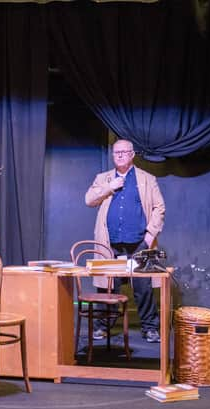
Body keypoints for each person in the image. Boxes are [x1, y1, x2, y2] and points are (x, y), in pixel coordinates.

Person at [85, 139, 165, 343]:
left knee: (143, 287)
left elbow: (159, 207)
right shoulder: (103, 178)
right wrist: (109, 187)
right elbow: (89, 200)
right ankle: (103, 326)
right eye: (116, 153)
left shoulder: (147, 179)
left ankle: (150, 328)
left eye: (124, 152)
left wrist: (149, 236)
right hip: (110, 243)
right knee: (107, 286)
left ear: (132, 154)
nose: (120, 155)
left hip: (138, 243)